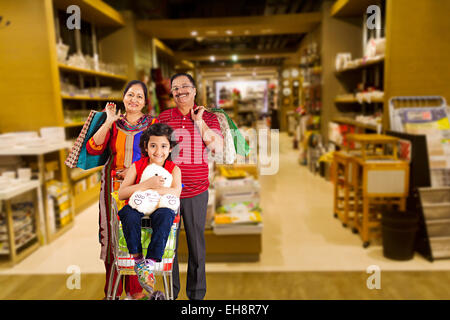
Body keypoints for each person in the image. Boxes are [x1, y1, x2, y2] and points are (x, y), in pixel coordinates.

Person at [86, 80, 158, 300]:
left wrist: (136, 170)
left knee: (139, 234)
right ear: (123, 97)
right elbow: (93, 146)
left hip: (140, 186)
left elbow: (160, 154)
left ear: (145, 101)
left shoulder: (153, 123)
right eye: (130, 95)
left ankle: (136, 291)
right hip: (112, 188)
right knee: (113, 237)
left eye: (139, 96)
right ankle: (113, 291)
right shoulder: (114, 123)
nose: (134, 100)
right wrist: (108, 120)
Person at [158, 73, 223, 300]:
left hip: (196, 191)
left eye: (185, 86)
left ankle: (196, 296)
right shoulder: (164, 117)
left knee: (196, 244)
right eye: (175, 88)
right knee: (170, 246)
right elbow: (153, 151)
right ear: (172, 93)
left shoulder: (210, 118)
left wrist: (199, 121)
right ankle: (171, 292)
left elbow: (217, 148)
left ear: (194, 91)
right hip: (168, 192)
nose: (180, 91)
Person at [117, 123, 182, 294]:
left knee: (166, 215)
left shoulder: (173, 169)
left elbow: (176, 192)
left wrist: (152, 189)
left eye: (163, 146)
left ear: (170, 149)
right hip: (137, 207)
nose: (158, 151)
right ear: (145, 146)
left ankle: (150, 263)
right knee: (127, 214)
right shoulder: (137, 166)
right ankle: (139, 261)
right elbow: (122, 193)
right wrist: (146, 184)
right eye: (153, 145)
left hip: (160, 208)